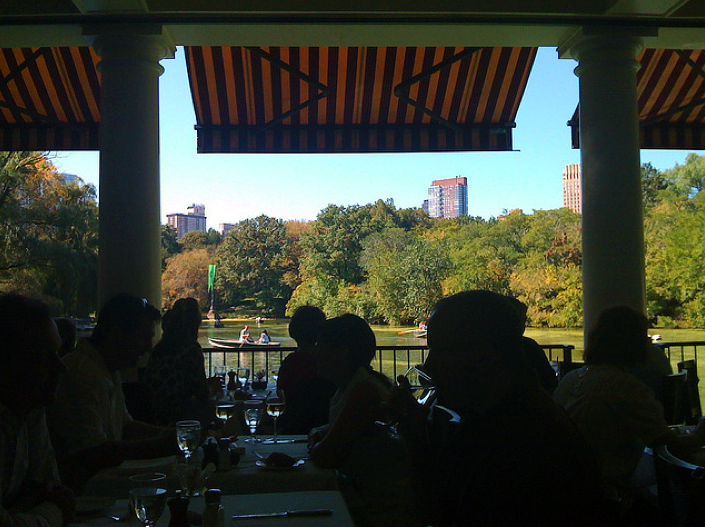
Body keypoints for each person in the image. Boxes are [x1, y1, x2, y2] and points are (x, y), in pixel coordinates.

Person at [392, 290, 604, 527]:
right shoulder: (505, 415)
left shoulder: (524, 441)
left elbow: (441, 512)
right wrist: (417, 437)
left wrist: (417, 443)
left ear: (484, 355)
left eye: (441, 351)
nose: (430, 365)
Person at [554, 305, 705, 519]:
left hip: (569, 491)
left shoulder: (572, 379)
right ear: (631, 343)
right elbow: (670, 447)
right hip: (606, 498)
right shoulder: (625, 387)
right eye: (642, 336)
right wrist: (699, 434)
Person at [47, 294, 177, 492]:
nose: (149, 348)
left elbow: (126, 426)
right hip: (85, 495)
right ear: (118, 334)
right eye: (143, 337)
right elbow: (93, 452)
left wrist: (168, 435)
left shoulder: (106, 369)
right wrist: (162, 444)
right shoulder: (79, 373)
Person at [309, 314, 419, 527]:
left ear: (343, 351)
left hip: (380, 511)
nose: (315, 353)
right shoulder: (355, 385)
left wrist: (315, 439)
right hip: (366, 501)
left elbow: (326, 456)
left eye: (321, 346)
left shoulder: (365, 392)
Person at [0, 293, 75, 527]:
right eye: (45, 357)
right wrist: (54, 512)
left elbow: (48, 486)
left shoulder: (31, 409)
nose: (61, 368)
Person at [143, 298, 221, 427]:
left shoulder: (160, 348)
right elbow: (202, 394)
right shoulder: (190, 350)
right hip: (180, 419)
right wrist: (213, 387)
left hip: (154, 415)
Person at [276, 306, 334, 434]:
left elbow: (281, 395)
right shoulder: (331, 362)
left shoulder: (291, 363)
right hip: (326, 425)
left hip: (294, 427)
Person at [505, 296, 559, 394]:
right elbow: (550, 382)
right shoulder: (529, 347)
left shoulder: (482, 350)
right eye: (521, 320)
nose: (523, 324)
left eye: (524, 320)